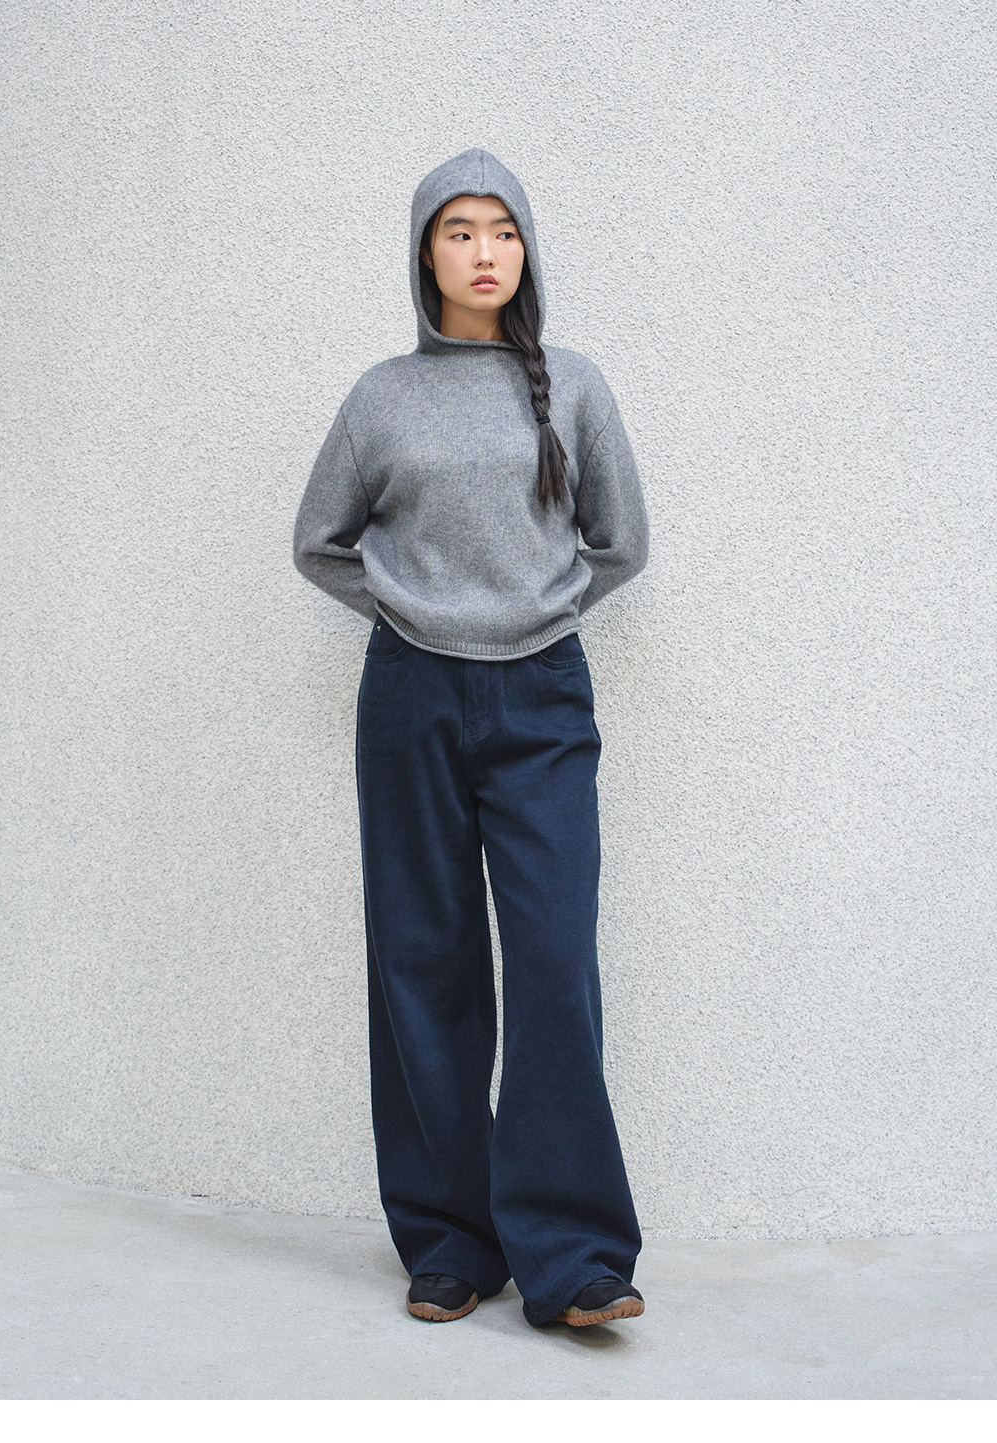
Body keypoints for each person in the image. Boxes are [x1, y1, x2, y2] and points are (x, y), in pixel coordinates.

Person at [293, 148, 650, 1330]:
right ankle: (451, 1240)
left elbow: (620, 543)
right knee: (424, 959)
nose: (484, 251)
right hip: (409, 694)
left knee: (552, 959)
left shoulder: (575, 387)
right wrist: (410, 612)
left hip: (541, 695)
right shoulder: (381, 398)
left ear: (526, 249)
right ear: (424, 253)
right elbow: (318, 543)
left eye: (503, 230)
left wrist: (533, 613)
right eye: (459, 230)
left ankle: (574, 1256)